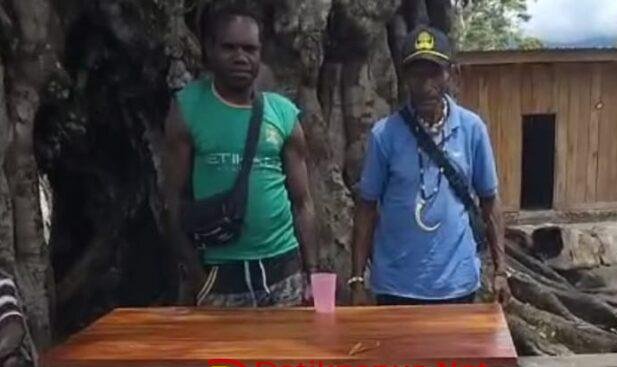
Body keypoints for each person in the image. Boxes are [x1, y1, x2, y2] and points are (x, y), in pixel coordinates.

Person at [163, 1, 319, 307]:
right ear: (210, 50)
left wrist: (312, 270)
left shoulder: (283, 113)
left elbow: (303, 201)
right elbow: (172, 200)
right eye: (229, 48)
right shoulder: (188, 108)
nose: (240, 57)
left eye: (250, 49)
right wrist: (198, 278)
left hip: (283, 271)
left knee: (287, 341)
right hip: (220, 274)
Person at [350, 25, 511, 306]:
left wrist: (500, 271)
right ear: (405, 78)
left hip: (457, 285)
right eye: (416, 74)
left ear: (452, 74)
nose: (425, 85)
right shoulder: (384, 135)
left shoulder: (472, 129)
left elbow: (489, 200)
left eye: (434, 73)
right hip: (396, 287)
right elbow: (366, 208)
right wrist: (357, 279)